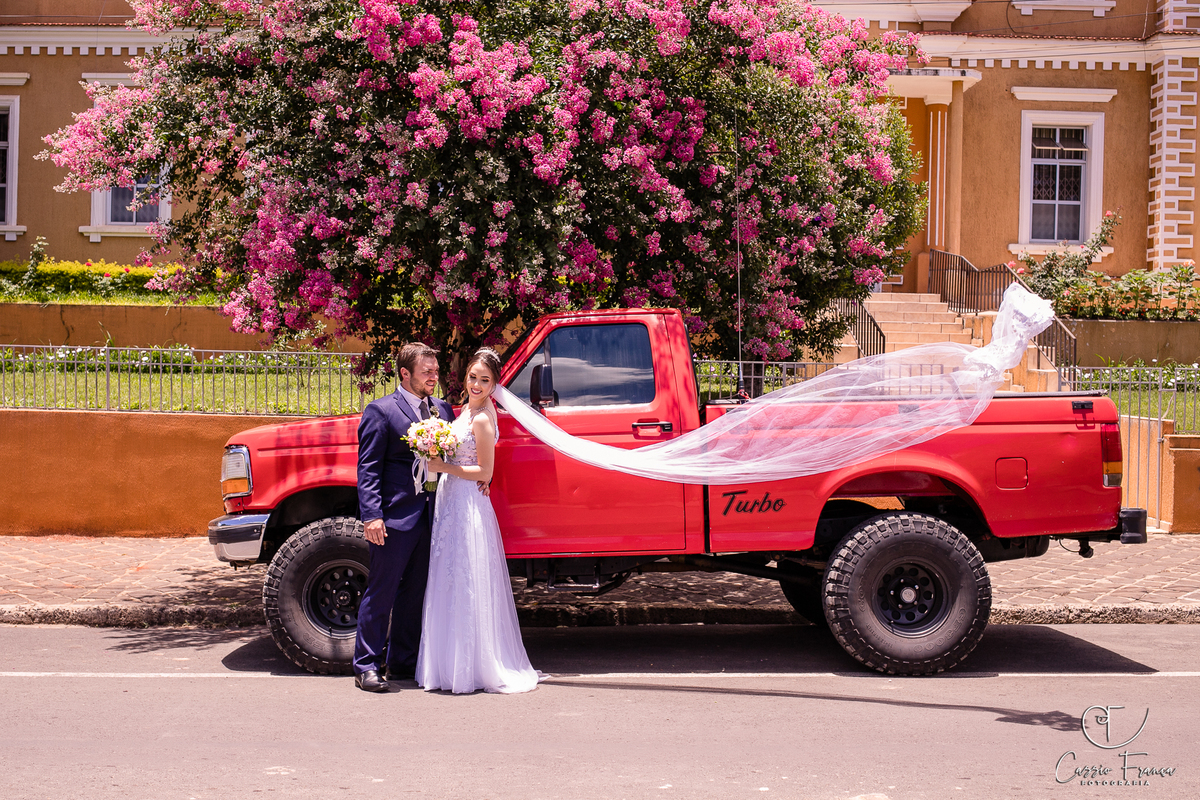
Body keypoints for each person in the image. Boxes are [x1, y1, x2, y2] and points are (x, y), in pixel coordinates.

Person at [419, 347, 541, 694]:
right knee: (449, 578)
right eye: (473, 377)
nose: (476, 384)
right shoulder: (466, 411)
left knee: (467, 580)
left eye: (484, 380)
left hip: (468, 505)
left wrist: (444, 467)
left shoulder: (484, 418)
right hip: (451, 501)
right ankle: (448, 665)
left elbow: (485, 471)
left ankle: (472, 667)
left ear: (494, 384)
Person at [353, 342, 455, 693]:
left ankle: (402, 662)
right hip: (394, 518)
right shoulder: (381, 411)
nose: (433, 376)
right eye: (426, 371)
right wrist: (372, 516)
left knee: (415, 593)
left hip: (432, 515)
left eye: (435, 371)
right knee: (381, 592)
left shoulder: (442, 409)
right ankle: (366, 665)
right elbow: (367, 468)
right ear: (405, 374)